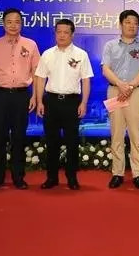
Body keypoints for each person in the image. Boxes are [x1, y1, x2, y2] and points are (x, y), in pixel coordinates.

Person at [0, 8, 40, 191]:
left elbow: (36, 73)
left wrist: (35, 96)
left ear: (22, 24)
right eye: (9, 21)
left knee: (19, 137)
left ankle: (18, 177)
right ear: (3, 24)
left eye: (17, 22)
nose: (13, 25)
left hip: (22, 95)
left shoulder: (31, 44)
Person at [34, 19, 93, 190]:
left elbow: (86, 80)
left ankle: (72, 178)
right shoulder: (47, 54)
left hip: (71, 102)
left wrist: (84, 103)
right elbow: (40, 78)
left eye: (65, 32)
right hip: (51, 101)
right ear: (55, 33)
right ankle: (51, 177)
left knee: (72, 142)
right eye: (58, 32)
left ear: (72, 34)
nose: (61, 35)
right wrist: (39, 101)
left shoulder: (81, 54)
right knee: (51, 142)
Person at [101, 10, 139, 189]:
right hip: (115, 91)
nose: (132, 25)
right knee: (116, 133)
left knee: (136, 134)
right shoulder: (110, 45)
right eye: (128, 22)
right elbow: (105, 69)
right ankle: (117, 173)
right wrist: (120, 85)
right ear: (120, 24)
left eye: (135, 23)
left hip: (136, 92)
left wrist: (130, 87)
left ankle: (138, 174)